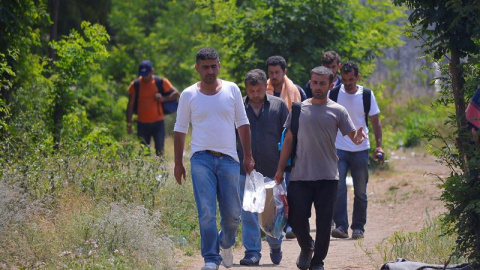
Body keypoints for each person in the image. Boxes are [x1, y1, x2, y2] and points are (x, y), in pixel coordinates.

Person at [273, 66, 366, 270]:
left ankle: (317, 261)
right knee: (296, 219)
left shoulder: (338, 110)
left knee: (324, 223)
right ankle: (307, 247)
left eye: (322, 83)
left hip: (327, 176)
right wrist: (280, 170)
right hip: (299, 175)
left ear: (331, 84)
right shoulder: (298, 109)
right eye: (314, 82)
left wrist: (358, 139)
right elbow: (288, 141)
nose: (317, 86)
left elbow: (353, 136)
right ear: (310, 81)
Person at [173, 48, 255, 270]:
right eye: (205, 67)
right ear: (197, 68)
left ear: (219, 65)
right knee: (206, 212)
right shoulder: (189, 94)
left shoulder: (232, 90)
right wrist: (178, 163)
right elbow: (180, 129)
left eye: (213, 66)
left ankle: (225, 243)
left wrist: (248, 156)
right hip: (201, 159)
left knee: (233, 215)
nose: (210, 70)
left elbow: (243, 123)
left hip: (229, 159)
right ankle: (211, 258)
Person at [237, 69, 289, 266]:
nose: (256, 95)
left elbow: (288, 138)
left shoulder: (279, 106)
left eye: (259, 90)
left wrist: (284, 167)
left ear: (265, 88)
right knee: (248, 212)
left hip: (272, 169)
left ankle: (275, 245)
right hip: (246, 170)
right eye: (252, 91)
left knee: (272, 215)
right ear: (246, 89)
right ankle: (252, 252)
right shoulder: (239, 107)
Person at [330, 61, 384, 240]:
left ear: (358, 77)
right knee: (338, 188)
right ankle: (341, 226)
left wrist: (379, 145)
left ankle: (358, 227)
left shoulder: (366, 94)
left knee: (360, 190)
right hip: (340, 148)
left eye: (351, 79)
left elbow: (375, 121)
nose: (347, 83)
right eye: (344, 80)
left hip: (361, 149)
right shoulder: (335, 93)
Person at [265, 55, 306, 239]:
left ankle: (290, 225)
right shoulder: (261, 91)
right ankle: (270, 226)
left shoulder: (296, 92)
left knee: (290, 188)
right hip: (268, 148)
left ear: (284, 72)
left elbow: (303, 117)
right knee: (271, 190)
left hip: (291, 147)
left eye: (277, 72)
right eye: (271, 73)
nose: (274, 76)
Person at [126, 60, 180, 156]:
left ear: (152, 71)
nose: (144, 76)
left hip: (158, 123)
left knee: (160, 150)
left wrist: (163, 98)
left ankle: (160, 170)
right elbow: (130, 105)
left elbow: (176, 93)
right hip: (142, 124)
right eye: (142, 74)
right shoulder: (135, 85)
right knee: (144, 152)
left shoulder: (161, 82)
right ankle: (146, 170)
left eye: (146, 74)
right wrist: (129, 123)